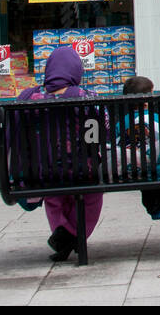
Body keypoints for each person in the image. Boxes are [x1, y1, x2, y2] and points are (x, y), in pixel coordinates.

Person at [22, 45, 104, 261]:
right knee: (92, 196)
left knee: (54, 198)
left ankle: (63, 235)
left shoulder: (32, 98)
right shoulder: (86, 96)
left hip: (44, 172)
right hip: (83, 169)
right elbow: (100, 130)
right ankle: (73, 236)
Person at [116, 75, 160, 219]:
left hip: (133, 170)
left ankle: (153, 206)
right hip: (156, 168)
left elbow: (119, 145)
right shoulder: (156, 119)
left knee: (144, 174)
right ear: (147, 100)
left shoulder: (122, 122)